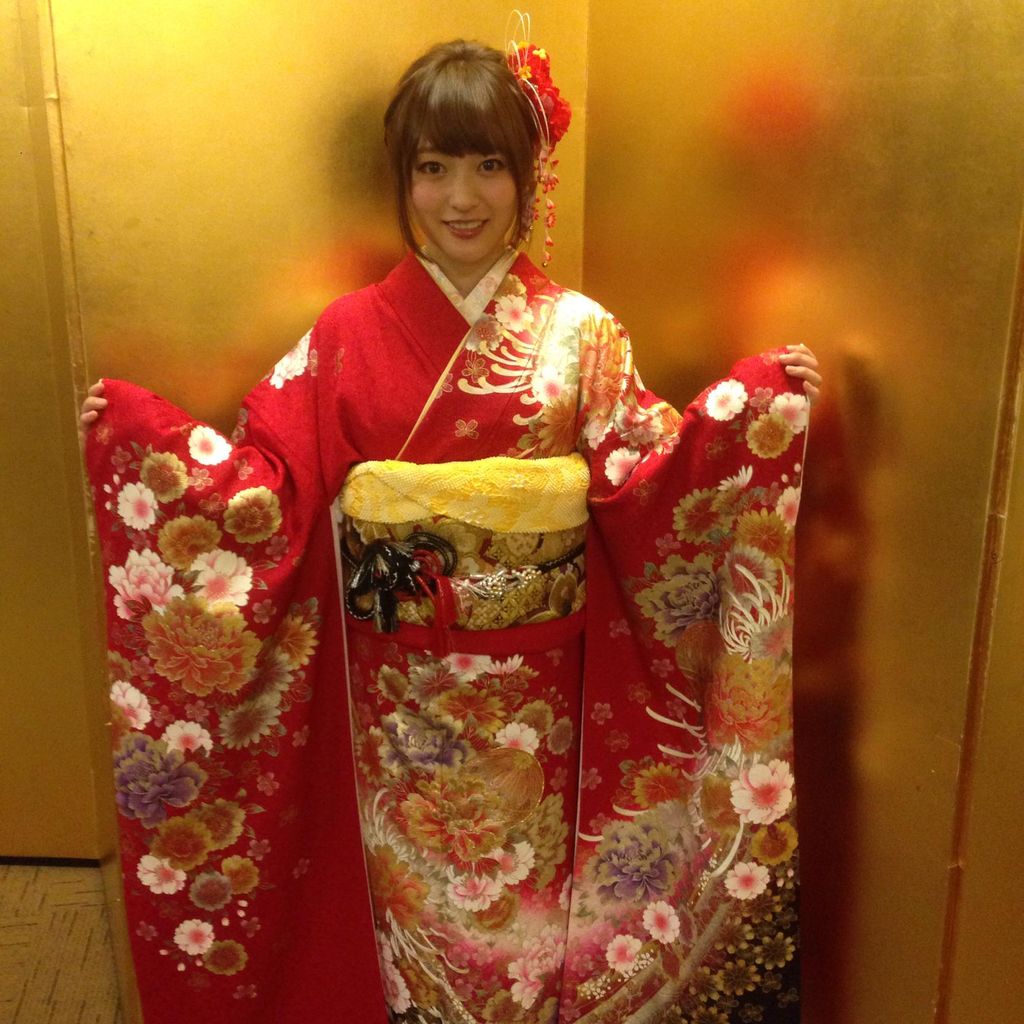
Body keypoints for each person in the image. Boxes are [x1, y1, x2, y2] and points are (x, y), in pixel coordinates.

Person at [81, 37, 821, 1024]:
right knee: (418, 907)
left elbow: (651, 479)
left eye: (488, 165)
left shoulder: (582, 335)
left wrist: (751, 410)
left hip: (536, 701)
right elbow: (266, 492)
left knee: (522, 914)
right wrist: (146, 444)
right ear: (404, 179)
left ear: (529, 177)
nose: (460, 197)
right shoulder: (346, 334)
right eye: (432, 168)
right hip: (396, 701)